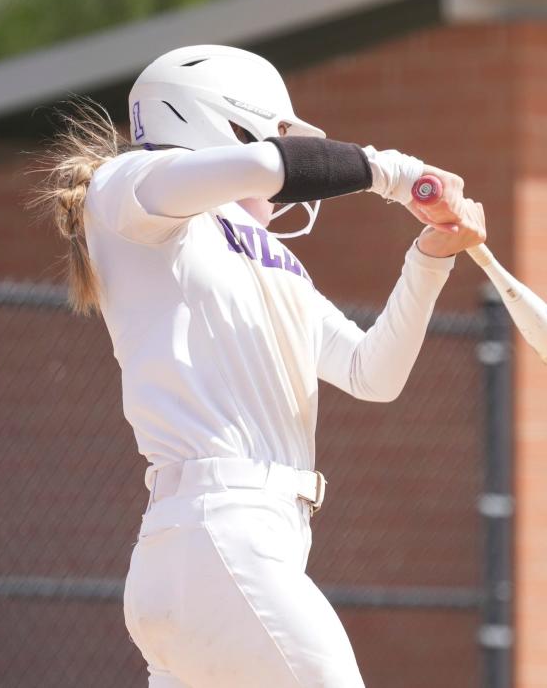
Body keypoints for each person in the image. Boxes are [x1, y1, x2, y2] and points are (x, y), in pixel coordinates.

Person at [32, 45, 486, 687]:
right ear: (221, 122)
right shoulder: (129, 188)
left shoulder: (266, 257)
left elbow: (371, 373)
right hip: (220, 533)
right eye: (274, 128)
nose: (290, 156)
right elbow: (266, 164)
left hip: (237, 550)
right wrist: (397, 173)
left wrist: (431, 256)